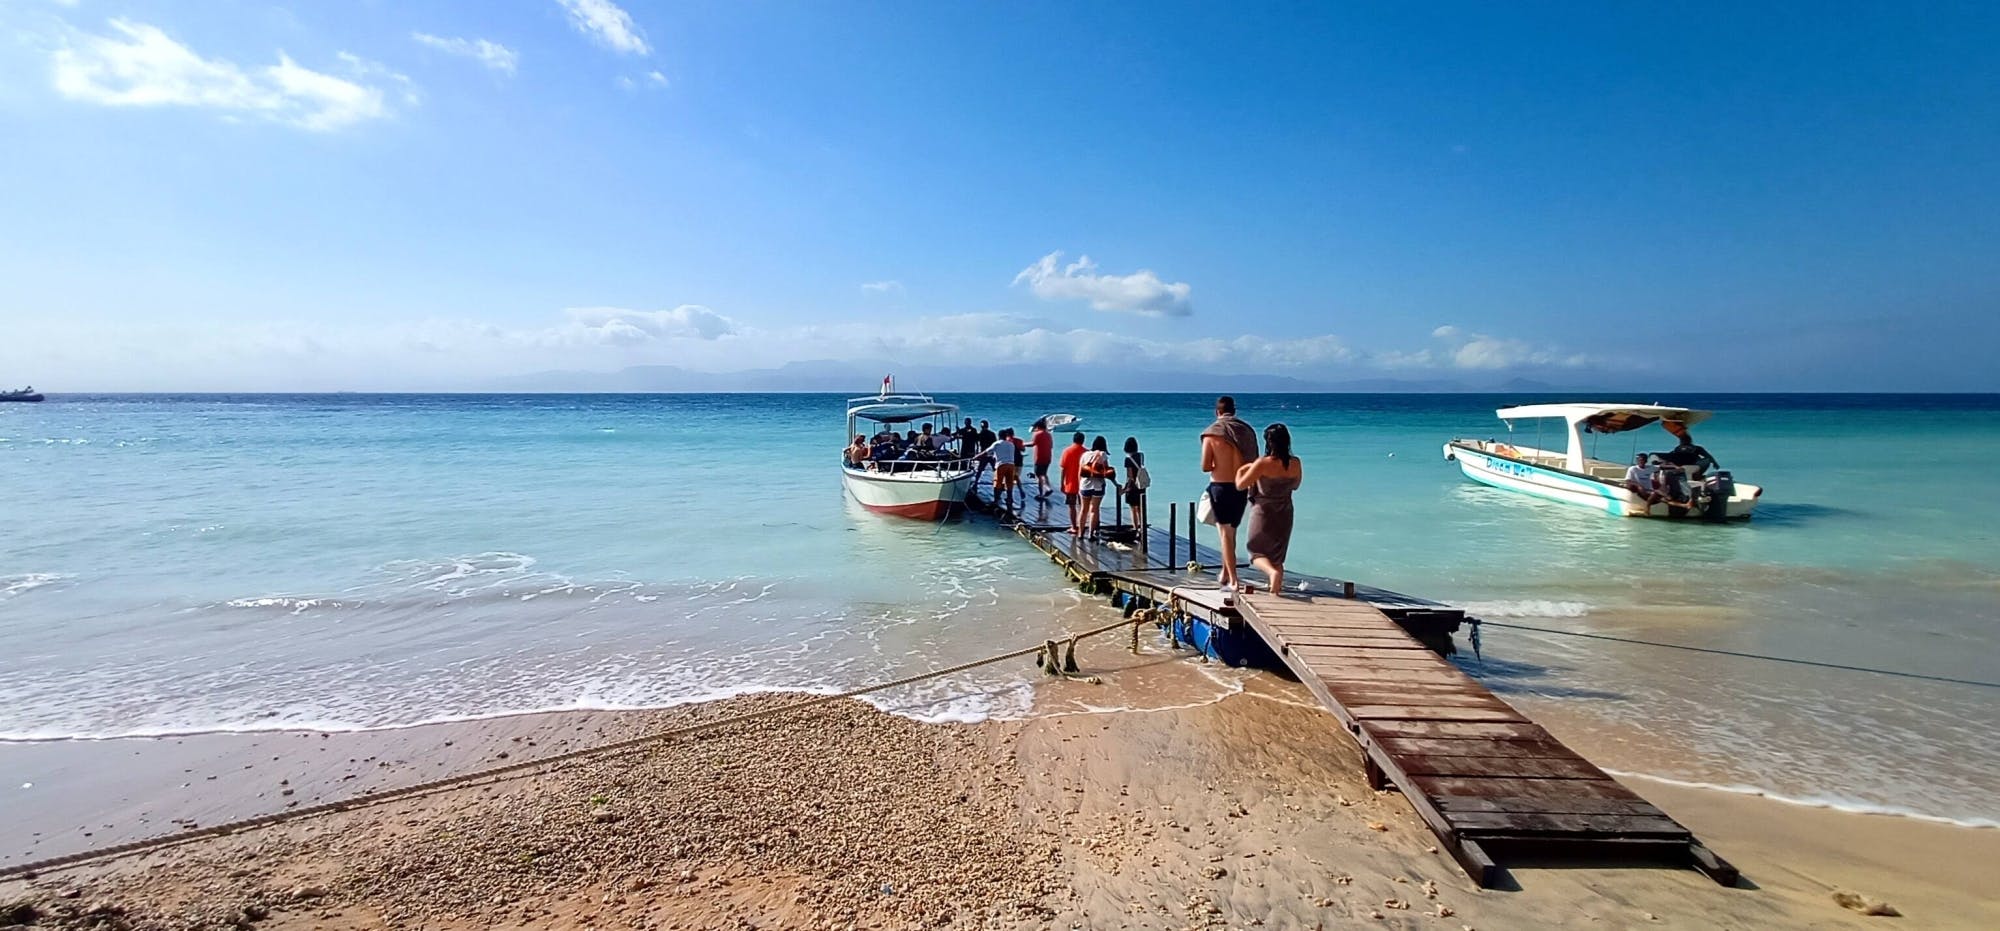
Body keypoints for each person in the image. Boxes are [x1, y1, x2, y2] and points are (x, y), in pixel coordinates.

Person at [1200, 395, 1260, 592]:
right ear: (1234, 411)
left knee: (1225, 534)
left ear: (1217, 412)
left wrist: (1220, 462)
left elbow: (1205, 466)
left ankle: (1233, 580)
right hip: (1241, 486)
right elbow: (1254, 459)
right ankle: (1225, 572)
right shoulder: (1245, 431)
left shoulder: (1211, 434)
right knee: (1230, 533)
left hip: (1221, 487)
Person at [1235, 423, 1303, 595]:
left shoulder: (1262, 463)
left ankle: (1271, 574)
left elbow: (1240, 485)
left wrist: (1242, 469)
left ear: (1269, 442)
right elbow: (1295, 485)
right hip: (1285, 510)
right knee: (1277, 555)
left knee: (1255, 552)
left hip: (1263, 511)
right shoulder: (1295, 463)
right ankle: (1275, 591)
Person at [1078, 436, 1113, 537]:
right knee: (1094, 509)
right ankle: (1090, 534)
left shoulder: (1084, 455)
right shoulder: (1103, 455)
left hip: (1085, 485)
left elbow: (1080, 472)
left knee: (1083, 510)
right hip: (1098, 485)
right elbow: (1106, 471)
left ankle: (1080, 533)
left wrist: (1079, 485)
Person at [985, 428, 1023, 509]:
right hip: (1011, 465)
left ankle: (996, 500)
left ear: (999, 436)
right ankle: (1010, 499)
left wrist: (976, 457)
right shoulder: (1011, 444)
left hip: (1001, 465)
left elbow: (986, 452)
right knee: (1009, 483)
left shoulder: (997, 443)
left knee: (997, 482)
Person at [1058, 431, 1087, 535]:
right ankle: (1082, 526)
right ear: (1083, 440)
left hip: (1071, 484)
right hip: (1084, 484)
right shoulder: (1086, 452)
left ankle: (1074, 527)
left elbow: (1063, 469)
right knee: (1083, 507)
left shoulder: (1067, 451)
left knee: (1072, 506)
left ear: (1073, 440)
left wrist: (1062, 483)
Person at [1122, 436, 1149, 529]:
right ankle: (1142, 527)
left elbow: (1130, 476)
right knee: (1140, 507)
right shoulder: (1141, 456)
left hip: (1133, 487)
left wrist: (1125, 489)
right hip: (1141, 485)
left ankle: (1135, 527)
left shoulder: (1128, 459)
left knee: (1133, 508)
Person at [1030, 419, 1055, 500]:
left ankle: (1043, 492)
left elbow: (1032, 444)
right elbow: (1051, 446)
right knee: (1044, 474)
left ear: (1038, 427)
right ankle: (1047, 488)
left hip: (1039, 457)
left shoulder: (1037, 434)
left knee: (1038, 475)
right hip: (1048, 457)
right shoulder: (1049, 434)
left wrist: (1022, 444)